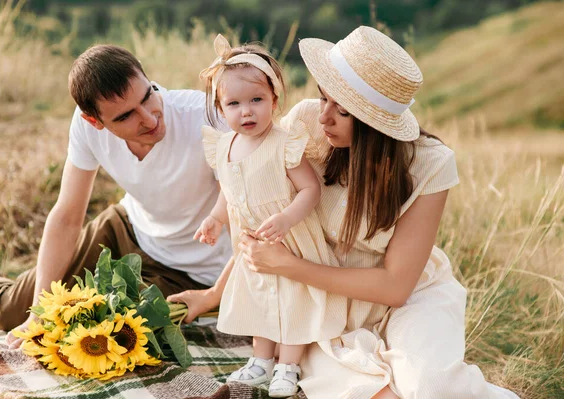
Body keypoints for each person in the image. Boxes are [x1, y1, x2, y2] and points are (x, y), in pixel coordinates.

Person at [168, 27, 520, 399]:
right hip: (320, 300)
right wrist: (213, 294)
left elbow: (396, 286)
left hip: (403, 295)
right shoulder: (303, 124)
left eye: (343, 111)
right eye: (323, 98)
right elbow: (258, 213)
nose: (324, 118)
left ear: (375, 123)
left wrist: (289, 267)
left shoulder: (431, 164)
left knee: (431, 387)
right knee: (362, 389)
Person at [0, 45, 233, 349]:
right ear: (95, 121)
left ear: (146, 75)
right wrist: (38, 311)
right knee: (10, 312)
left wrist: (218, 292)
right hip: (124, 227)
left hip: (191, 266)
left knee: (104, 331)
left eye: (147, 96)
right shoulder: (85, 128)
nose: (149, 118)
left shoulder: (208, 116)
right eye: (126, 116)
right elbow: (67, 216)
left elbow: (243, 212)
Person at [193, 34, 346, 398]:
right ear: (220, 106)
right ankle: (261, 360)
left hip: (290, 243)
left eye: (257, 100)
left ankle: (288, 365)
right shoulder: (224, 146)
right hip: (252, 246)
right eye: (234, 103)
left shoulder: (283, 142)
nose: (246, 111)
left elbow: (310, 190)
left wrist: (287, 219)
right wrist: (215, 219)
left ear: (275, 100)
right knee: (260, 302)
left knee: (292, 304)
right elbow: (227, 192)